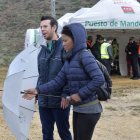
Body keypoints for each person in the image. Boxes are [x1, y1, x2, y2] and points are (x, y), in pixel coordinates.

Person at [23, 23, 105, 140]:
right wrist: (37, 90)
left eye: (65, 41)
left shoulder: (85, 56)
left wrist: (80, 94)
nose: (63, 44)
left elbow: (99, 78)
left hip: (89, 109)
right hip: (78, 108)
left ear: (76, 40)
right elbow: (57, 81)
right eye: (62, 41)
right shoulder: (69, 59)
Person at [32, 16, 72, 140]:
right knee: (46, 133)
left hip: (60, 101)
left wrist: (66, 94)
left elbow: (69, 75)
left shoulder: (64, 48)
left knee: (63, 132)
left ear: (54, 27)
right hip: (44, 101)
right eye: (41, 27)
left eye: (45, 26)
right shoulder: (42, 51)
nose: (42, 29)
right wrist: (37, 93)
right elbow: (40, 74)